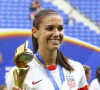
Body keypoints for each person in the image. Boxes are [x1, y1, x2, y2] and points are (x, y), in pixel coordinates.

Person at [6, 9, 88, 90]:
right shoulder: (19, 73)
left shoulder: (77, 68)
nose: (56, 34)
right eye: (50, 28)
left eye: (60, 28)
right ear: (35, 32)